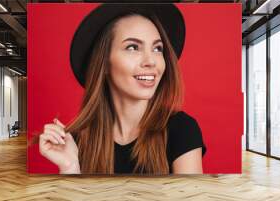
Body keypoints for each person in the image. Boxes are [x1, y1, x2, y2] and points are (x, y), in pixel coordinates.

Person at [38, 3, 206, 174]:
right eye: (133, 47)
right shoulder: (75, 140)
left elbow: (190, 199)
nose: (151, 61)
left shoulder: (182, 129)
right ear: (104, 64)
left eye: (157, 48)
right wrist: (70, 167)